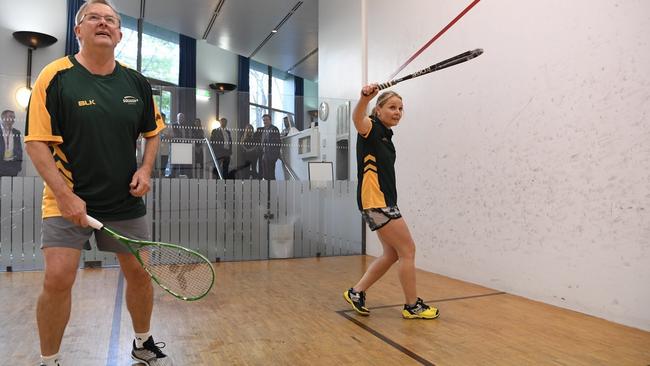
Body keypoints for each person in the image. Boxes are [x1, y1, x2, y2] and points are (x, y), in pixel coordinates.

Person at [23, 1, 172, 365]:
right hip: (66, 198)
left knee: (139, 274)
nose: (104, 23)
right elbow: (36, 143)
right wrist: (65, 196)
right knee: (57, 279)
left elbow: (153, 132)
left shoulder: (136, 81)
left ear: (119, 34)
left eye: (111, 20)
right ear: (79, 31)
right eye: (94, 18)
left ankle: (142, 341)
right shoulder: (54, 77)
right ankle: (50, 360)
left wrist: (146, 169)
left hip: (124, 200)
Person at [343, 84, 439, 320]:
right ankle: (412, 306)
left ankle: (356, 292)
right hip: (377, 203)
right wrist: (364, 99)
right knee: (408, 250)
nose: (397, 112)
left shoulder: (386, 135)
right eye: (392, 107)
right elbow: (357, 120)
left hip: (382, 202)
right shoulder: (372, 128)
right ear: (378, 110)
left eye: (401, 109)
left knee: (392, 254)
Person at [258, 114, 281, 180]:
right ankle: (267, 189)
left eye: (266, 120)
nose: (265, 121)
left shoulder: (274, 129)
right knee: (265, 175)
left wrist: (275, 156)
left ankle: (272, 189)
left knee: (271, 175)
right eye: (264, 120)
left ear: (270, 120)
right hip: (264, 156)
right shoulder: (263, 130)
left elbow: (278, 143)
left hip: (271, 156)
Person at [1, 109, 23, 176]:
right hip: (1, 164)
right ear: (3, 118)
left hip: (12, 166)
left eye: (14, 117)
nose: (13, 119)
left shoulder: (16, 132)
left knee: (10, 186)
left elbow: (19, 150)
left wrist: (18, 167)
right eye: (10, 116)